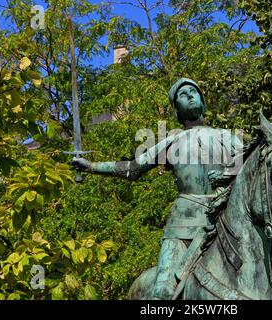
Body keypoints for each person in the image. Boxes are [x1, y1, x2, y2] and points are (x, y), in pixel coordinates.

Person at [71, 78, 243, 299]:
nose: (189, 95)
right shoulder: (171, 141)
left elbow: (252, 170)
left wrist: (227, 176)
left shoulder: (230, 138)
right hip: (182, 228)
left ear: (203, 101)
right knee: (161, 292)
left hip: (226, 225)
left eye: (193, 92)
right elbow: (133, 169)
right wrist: (91, 167)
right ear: (176, 111)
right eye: (182, 94)